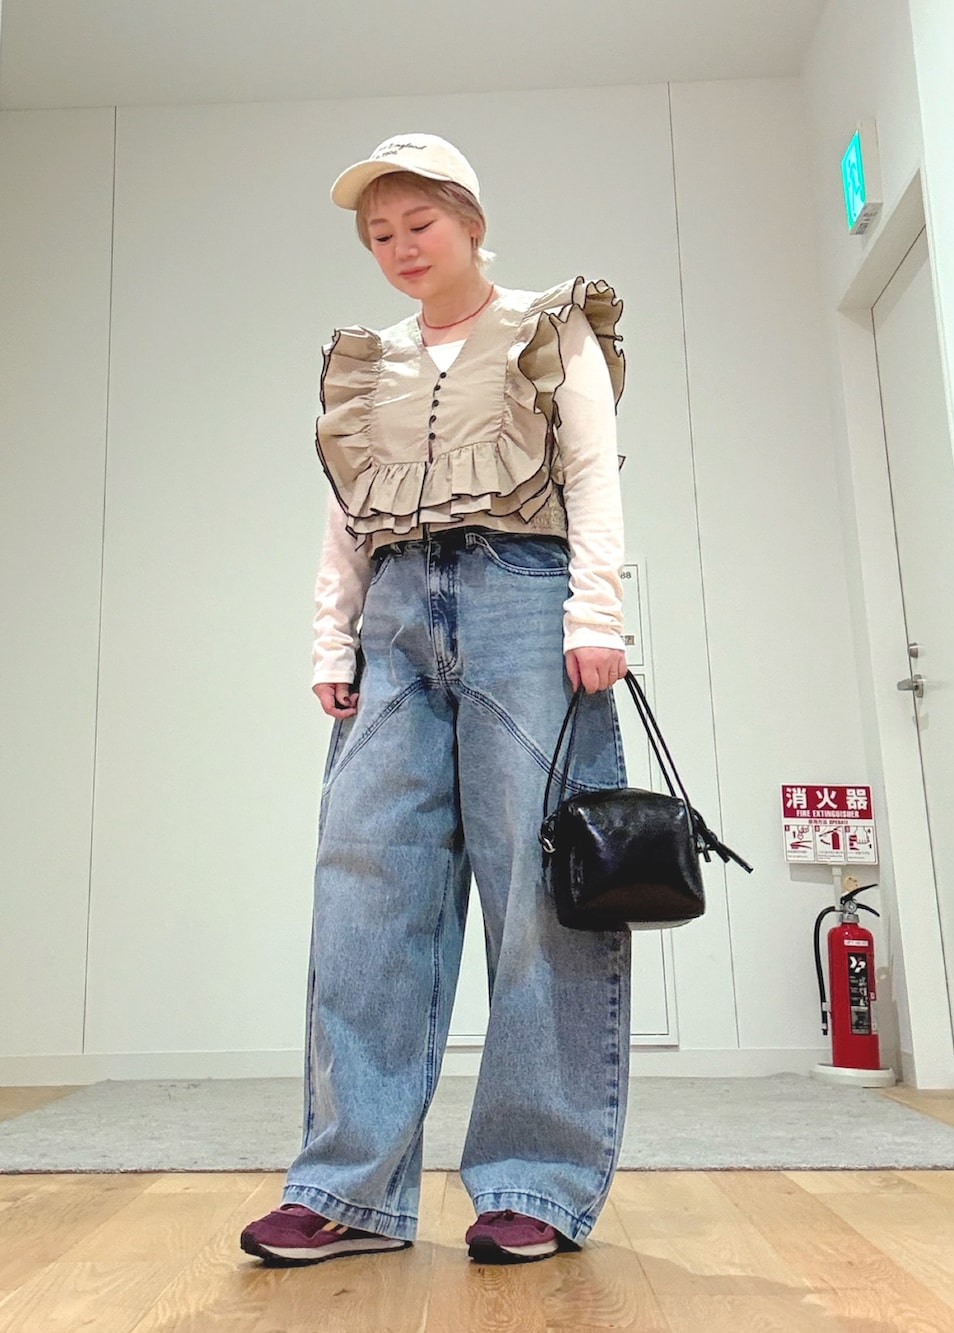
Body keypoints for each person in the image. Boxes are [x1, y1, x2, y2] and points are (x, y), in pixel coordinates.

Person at [240, 133, 630, 1267]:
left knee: (541, 897)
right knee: (365, 894)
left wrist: (595, 614)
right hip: (396, 614)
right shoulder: (369, 362)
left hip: (526, 599)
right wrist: (333, 637)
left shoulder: (551, 326)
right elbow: (343, 512)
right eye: (379, 234)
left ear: (469, 220)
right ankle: (347, 1188)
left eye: (419, 223)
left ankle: (535, 1181)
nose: (400, 247)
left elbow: (592, 471)